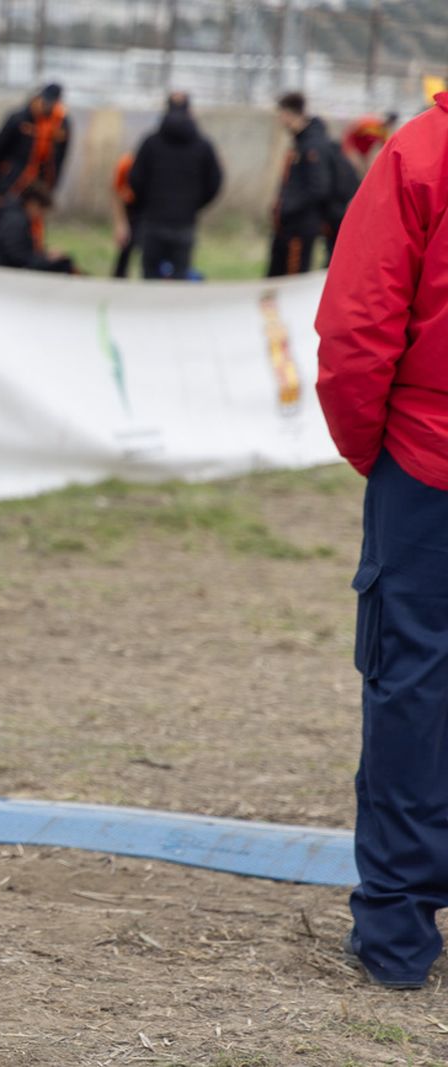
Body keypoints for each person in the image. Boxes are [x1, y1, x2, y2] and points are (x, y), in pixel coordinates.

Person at [314, 91, 448, 993]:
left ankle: (399, 932)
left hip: (429, 464)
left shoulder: (423, 152)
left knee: (413, 683)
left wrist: (381, 447)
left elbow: (355, 329)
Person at [127, 91, 222, 280]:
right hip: (185, 223)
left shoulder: (150, 143)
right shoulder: (203, 146)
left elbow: (135, 179)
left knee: (150, 276)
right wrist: (193, 205)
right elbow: (215, 182)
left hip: (153, 221)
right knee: (179, 278)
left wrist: (148, 204)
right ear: (189, 112)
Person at [267, 91, 333, 276]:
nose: (280, 121)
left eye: (282, 115)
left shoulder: (312, 146)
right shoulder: (300, 143)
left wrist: (288, 207)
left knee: (291, 280)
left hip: (299, 227)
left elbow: (318, 188)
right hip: (287, 226)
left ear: (289, 114)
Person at [0, 82, 71, 204]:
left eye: (52, 103)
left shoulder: (62, 125)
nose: (47, 106)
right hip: (10, 181)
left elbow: (61, 158)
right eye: (45, 101)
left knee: (32, 220)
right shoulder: (18, 119)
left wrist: (52, 187)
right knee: (7, 217)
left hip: (40, 185)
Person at [0, 181, 75, 273]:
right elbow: (19, 257)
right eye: (41, 212)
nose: (40, 216)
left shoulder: (16, 215)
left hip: (6, 268)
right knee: (63, 263)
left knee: (62, 261)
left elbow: (23, 251)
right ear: (33, 204)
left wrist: (45, 255)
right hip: (1, 272)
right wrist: (46, 259)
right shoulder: (15, 221)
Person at [111, 149, 140, 278]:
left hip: (151, 211)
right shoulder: (126, 164)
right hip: (130, 208)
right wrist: (120, 224)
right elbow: (117, 193)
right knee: (126, 246)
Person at [341, 110, 397, 176]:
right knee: (354, 167)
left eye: (391, 122)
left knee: (364, 170)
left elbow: (386, 147)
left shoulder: (385, 132)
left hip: (365, 152)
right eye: (389, 120)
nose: (389, 124)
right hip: (354, 148)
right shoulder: (369, 123)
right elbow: (351, 132)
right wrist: (347, 147)